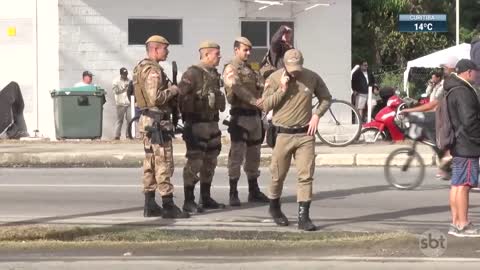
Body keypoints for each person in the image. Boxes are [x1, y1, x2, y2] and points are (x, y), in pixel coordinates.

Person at [259, 49, 332, 231]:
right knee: (277, 175)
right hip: (282, 134)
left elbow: (326, 98)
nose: (295, 72)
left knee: (305, 176)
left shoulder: (312, 77)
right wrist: (282, 89)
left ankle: (303, 217)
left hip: (305, 135)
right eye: (291, 68)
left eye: (297, 68)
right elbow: (265, 104)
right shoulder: (274, 78)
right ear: (284, 64)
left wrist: (317, 115)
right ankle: (274, 207)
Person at [132, 35, 189, 219]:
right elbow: (155, 98)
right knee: (163, 161)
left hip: (149, 120)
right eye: (165, 48)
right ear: (155, 49)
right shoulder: (152, 71)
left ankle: (149, 203)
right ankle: (168, 204)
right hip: (156, 122)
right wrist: (174, 90)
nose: (168, 51)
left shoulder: (143, 67)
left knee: (151, 161)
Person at [177, 41, 226, 213]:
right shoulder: (193, 73)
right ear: (206, 55)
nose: (219, 57)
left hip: (212, 124)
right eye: (216, 54)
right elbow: (179, 94)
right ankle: (188, 200)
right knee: (194, 163)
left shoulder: (213, 74)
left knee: (210, 162)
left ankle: (205, 197)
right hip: (196, 125)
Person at [222, 37, 269, 207]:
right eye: (245, 50)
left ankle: (253, 191)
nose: (248, 53)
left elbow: (262, 85)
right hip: (240, 118)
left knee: (254, 155)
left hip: (255, 117)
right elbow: (235, 87)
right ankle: (233, 192)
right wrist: (254, 100)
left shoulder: (251, 68)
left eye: (249, 50)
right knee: (236, 156)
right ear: (236, 50)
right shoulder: (231, 68)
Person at [443, 59, 480, 237]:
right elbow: (469, 121)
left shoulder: (452, 89)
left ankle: (456, 222)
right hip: (467, 145)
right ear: (468, 72)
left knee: (457, 185)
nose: (478, 74)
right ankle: (463, 224)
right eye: (476, 71)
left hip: (458, 143)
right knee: (464, 185)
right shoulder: (464, 92)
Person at [401, 71, 450, 179]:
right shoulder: (436, 86)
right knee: (434, 142)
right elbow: (427, 95)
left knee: (437, 142)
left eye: (434, 78)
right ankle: (444, 167)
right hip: (434, 114)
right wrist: (430, 86)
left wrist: (411, 110)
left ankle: (444, 167)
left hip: (438, 116)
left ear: (440, 78)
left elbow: (433, 104)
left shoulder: (444, 87)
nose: (432, 80)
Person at [112, 67, 131, 140]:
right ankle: (117, 135)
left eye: (126, 74)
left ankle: (128, 135)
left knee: (129, 120)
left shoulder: (129, 81)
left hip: (128, 103)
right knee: (119, 120)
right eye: (123, 74)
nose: (125, 76)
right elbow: (115, 91)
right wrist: (124, 88)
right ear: (121, 74)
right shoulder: (116, 81)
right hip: (120, 103)